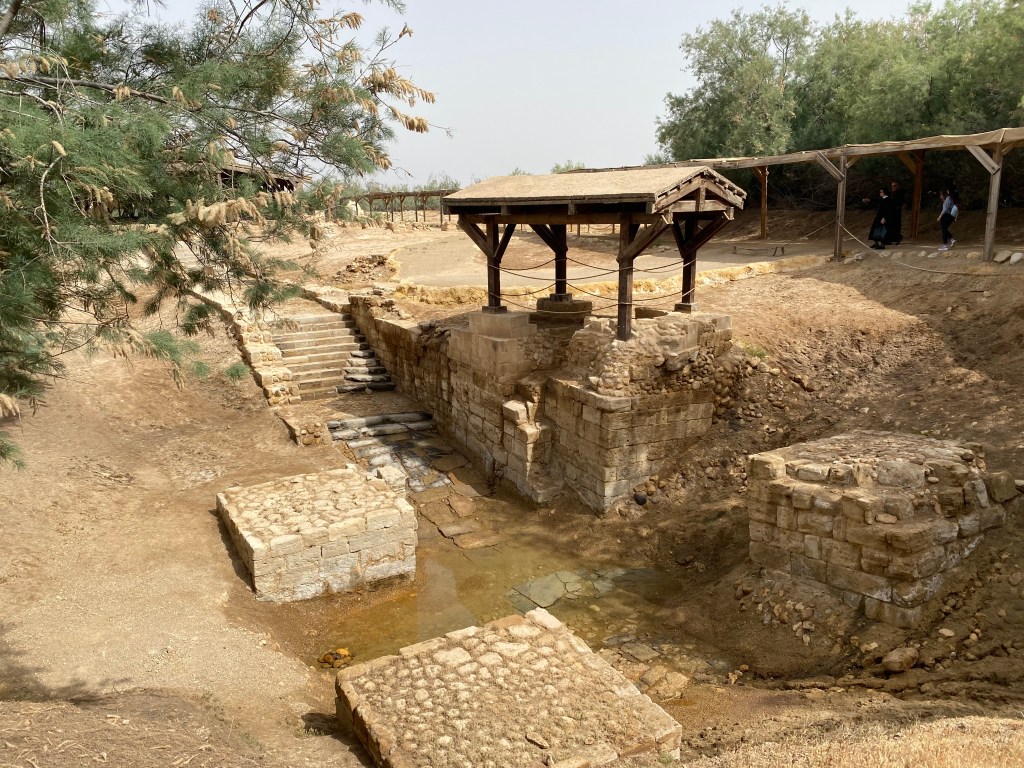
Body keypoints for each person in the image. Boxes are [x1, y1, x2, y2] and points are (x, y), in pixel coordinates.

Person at [887, 180, 905, 244]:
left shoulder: (900, 193)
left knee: (895, 226)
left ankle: (897, 238)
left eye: (894, 186)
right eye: (892, 186)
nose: (893, 187)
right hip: (892, 212)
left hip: (896, 212)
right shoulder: (893, 193)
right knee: (891, 226)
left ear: (898, 186)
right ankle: (892, 239)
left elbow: (899, 202)